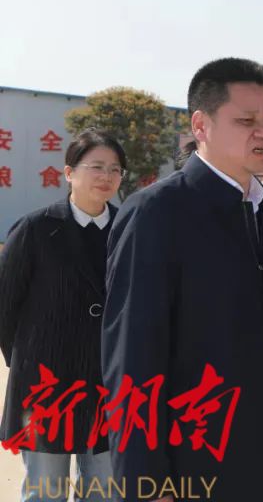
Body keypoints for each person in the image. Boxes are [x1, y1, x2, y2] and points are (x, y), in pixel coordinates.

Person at [102, 58, 263, 502]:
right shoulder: (156, 213)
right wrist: (145, 482)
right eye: (246, 121)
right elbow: (132, 358)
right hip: (192, 467)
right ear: (200, 125)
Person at [0, 130, 127, 502]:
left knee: (105, 490)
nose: (106, 176)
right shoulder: (36, 228)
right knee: (46, 491)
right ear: (69, 172)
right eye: (97, 167)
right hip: (46, 386)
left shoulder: (129, 229)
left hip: (108, 384)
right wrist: (27, 360)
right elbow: (5, 305)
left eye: (115, 169)